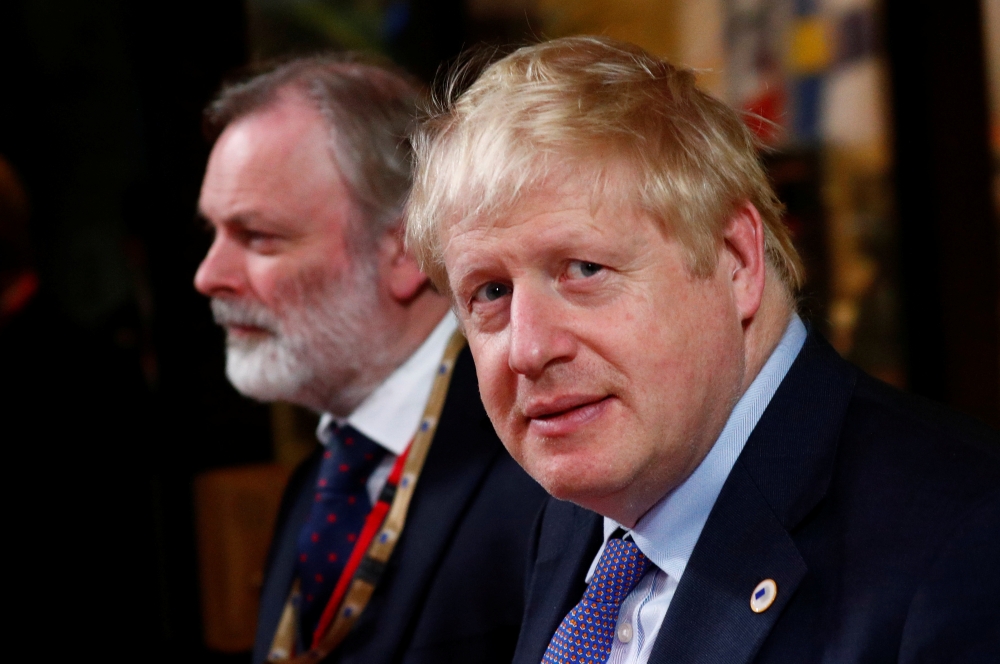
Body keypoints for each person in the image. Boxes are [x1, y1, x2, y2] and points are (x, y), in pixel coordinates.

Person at [404, 36, 1000, 663]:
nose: (527, 349)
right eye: (491, 291)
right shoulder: (588, 511)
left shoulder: (963, 544)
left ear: (737, 261)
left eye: (583, 269)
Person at [194, 55, 546, 664]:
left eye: (257, 237)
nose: (209, 276)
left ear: (407, 251)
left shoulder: (542, 450)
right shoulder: (321, 481)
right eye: (213, 234)